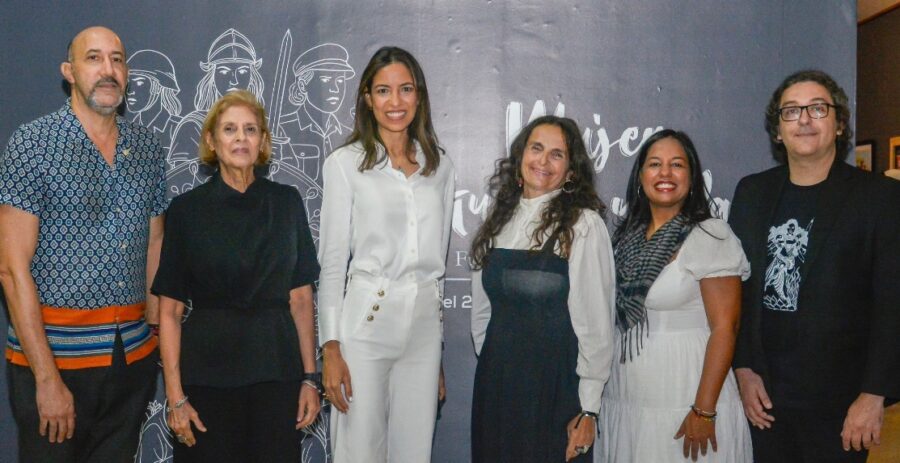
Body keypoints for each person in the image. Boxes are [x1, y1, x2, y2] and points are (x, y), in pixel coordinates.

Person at [0, 26, 165, 462]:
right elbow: (11, 270)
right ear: (69, 72)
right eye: (93, 59)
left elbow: (155, 243)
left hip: (130, 360)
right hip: (55, 364)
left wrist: (153, 338)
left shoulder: (147, 147)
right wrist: (47, 379)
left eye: (117, 59)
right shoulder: (32, 143)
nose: (108, 70)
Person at [729, 70, 900, 462]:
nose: (804, 119)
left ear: (839, 124)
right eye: (791, 111)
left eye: (817, 108)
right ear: (777, 131)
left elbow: (893, 303)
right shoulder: (752, 193)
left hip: (841, 405)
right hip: (764, 398)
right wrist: (743, 368)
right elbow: (737, 290)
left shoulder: (880, 197)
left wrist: (873, 395)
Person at [151, 90, 321, 462]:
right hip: (208, 381)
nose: (241, 138)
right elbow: (169, 311)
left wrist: (310, 378)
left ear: (262, 141)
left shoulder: (287, 202)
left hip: (277, 375)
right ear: (211, 141)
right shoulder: (186, 211)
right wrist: (175, 396)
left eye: (250, 129)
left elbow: (302, 299)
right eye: (230, 129)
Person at [317, 46, 455, 463]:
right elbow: (332, 263)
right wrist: (331, 348)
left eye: (405, 89)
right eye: (383, 91)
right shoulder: (345, 164)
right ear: (366, 98)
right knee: (359, 450)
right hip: (366, 324)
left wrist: (437, 348)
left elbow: (439, 267)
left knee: (414, 453)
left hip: (424, 330)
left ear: (420, 96)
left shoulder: (441, 166)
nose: (395, 102)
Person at [597, 130, 752, 462]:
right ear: (640, 177)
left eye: (677, 165)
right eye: (655, 164)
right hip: (627, 393)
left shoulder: (711, 235)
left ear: (692, 178)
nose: (665, 173)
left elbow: (727, 327)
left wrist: (704, 410)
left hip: (687, 392)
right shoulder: (624, 239)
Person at [470, 115, 615, 462]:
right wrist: (500, 361)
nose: (544, 161)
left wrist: (589, 409)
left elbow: (596, 328)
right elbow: (481, 315)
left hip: (556, 391)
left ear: (571, 171)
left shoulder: (583, 225)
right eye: (537, 149)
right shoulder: (497, 220)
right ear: (521, 156)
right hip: (498, 387)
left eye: (557, 154)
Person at [126, 49, 182, 151]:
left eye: (139, 82)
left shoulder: (178, 129)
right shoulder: (124, 133)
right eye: (127, 82)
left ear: (157, 87)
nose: (130, 90)